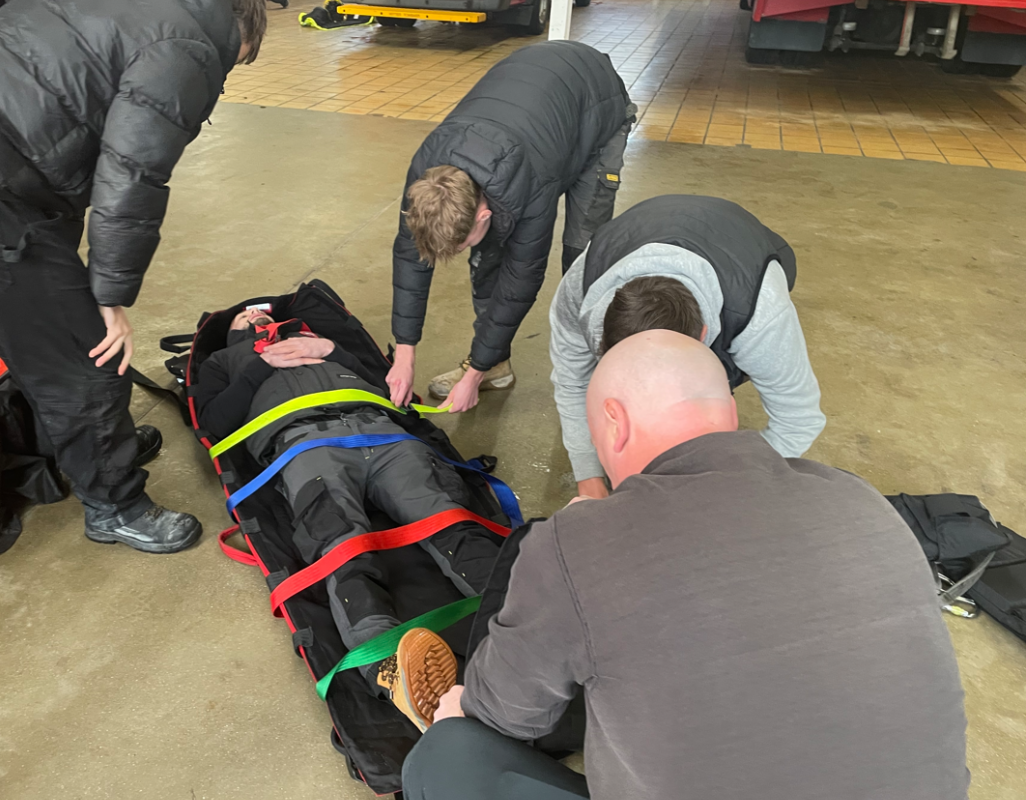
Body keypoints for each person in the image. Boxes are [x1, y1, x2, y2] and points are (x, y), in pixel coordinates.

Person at [394, 330, 969, 800]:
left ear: (614, 422)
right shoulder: (857, 496)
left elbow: (506, 713)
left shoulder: (580, 539)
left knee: (448, 757)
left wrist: (460, 705)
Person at [0, 0, 267, 554]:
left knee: (45, 327)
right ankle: (115, 505)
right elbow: (132, 173)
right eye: (241, 62)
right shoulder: (190, 48)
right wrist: (110, 297)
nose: (229, 73)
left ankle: (82, 449)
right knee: (85, 349)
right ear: (243, 33)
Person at [196, 307, 503, 725]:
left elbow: (392, 390)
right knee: (342, 547)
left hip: (384, 433)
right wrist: (257, 365)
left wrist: (331, 348)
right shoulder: (225, 362)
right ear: (229, 335)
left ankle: (520, 621)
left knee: (448, 521)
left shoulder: (321, 343)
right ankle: (391, 671)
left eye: (259, 310)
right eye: (241, 316)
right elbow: (213, 423)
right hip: (304, 444)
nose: (252, 312)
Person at [387, 40, 636, 414]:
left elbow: (520, 281)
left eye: (459, 244)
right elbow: (410, 257)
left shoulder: (531, 185)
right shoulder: (427, 175)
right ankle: (494, 366)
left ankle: (596, 371)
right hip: (535, 108)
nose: (455, 254)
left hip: (596, 106)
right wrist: (404, 354)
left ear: (483, 214)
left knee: (584, 256)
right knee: (487, 257)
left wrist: (469, 379)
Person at [550, 194, 826, 500]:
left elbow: (799, 418)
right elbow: (572, 381)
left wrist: (730, 486)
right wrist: (588, 476)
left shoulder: (760, 317)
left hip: (741, 251)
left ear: (703, 335)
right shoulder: (579, 292)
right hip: (640, 230)